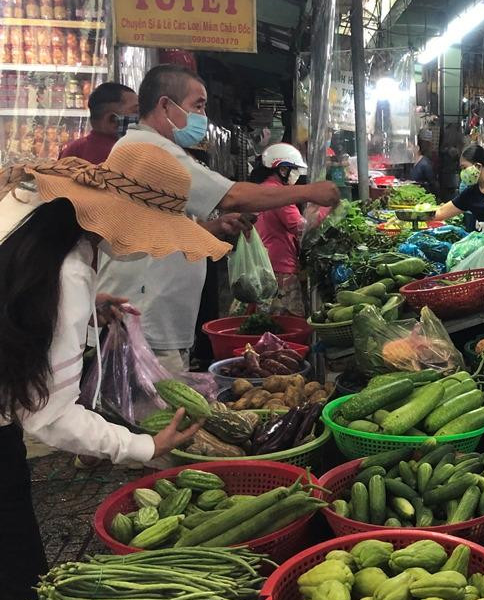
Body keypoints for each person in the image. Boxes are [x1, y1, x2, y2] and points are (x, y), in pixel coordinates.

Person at [0, 142, 232, 600]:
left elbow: (17, 307)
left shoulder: (29, 210)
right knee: (16, 584)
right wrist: (144, 446)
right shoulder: (65, 274)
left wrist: (87, 309)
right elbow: (49, 416)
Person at [99, 64, 340, 372]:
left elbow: (162, 225)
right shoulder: (149, 151)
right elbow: (232, 196)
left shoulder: (154, 148)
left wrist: (213, 227)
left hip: (153, 318)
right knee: (154, 415)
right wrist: (309, 192)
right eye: (197, 105)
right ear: (165, 105)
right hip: (144, 320)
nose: (203, 116)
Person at [251, 143, 312, 316]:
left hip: (265, 262)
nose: (297, 175)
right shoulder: (278, 194)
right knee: (287, 324)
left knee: (268, 320)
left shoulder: (261, 188)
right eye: (294, 170)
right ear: (282, 169)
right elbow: (299, 227)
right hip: (280, 266)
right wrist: (321, 215)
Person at [59, 82, 138, 165]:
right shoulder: (121, 155)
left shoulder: (71, 150)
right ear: (112, 120)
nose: (142, 118)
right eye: (136, 111)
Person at [409, 128, 439, 197]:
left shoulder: (425, 164)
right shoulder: (412, 163)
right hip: (414, 196)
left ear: (417, 148)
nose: (408, 149)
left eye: (410, 147)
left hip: (423, 197)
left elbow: (433, 184)